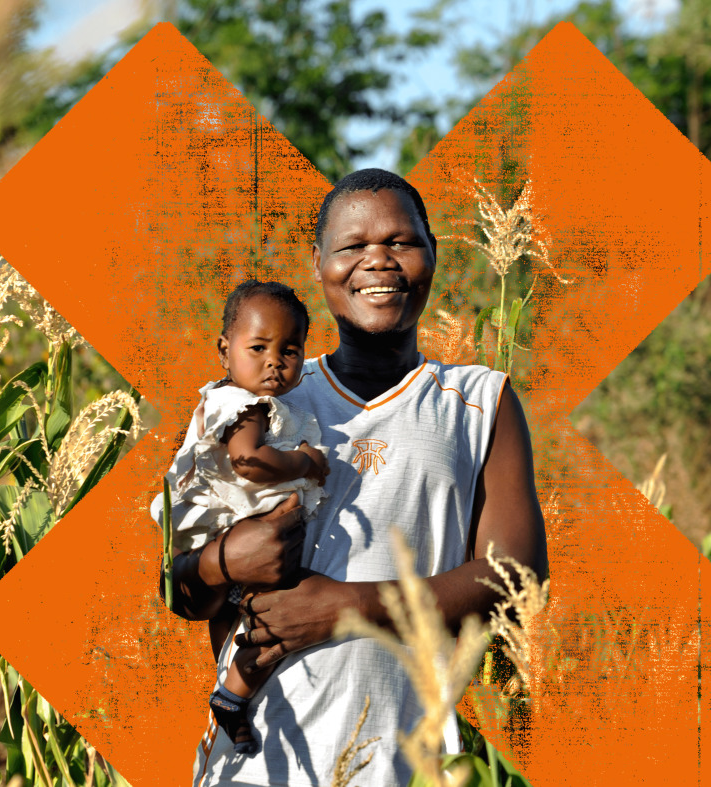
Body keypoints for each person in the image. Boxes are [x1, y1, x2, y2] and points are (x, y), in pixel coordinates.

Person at [159, 169, 549, 787]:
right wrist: (225, 559)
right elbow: (179, 590)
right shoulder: (252, 397)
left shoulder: (480, 401)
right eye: (353, 246)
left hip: (411, 761)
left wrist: (344, 607)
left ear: (432, 256)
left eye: (401, 242)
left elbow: (515, 577)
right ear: (318, 264)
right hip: (261, 759)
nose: (379, 261)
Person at [161, 279, 331, 756]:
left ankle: (229, 690)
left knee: (236, 616)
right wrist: (305, 463)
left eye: (290, 351)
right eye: (258, 348)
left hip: (212, 528)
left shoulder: (224, 396)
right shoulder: (245, 406)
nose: (274, 362)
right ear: (224, 350)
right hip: (233, 524)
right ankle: (234, 694)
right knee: (274, 610)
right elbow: (248, 461)